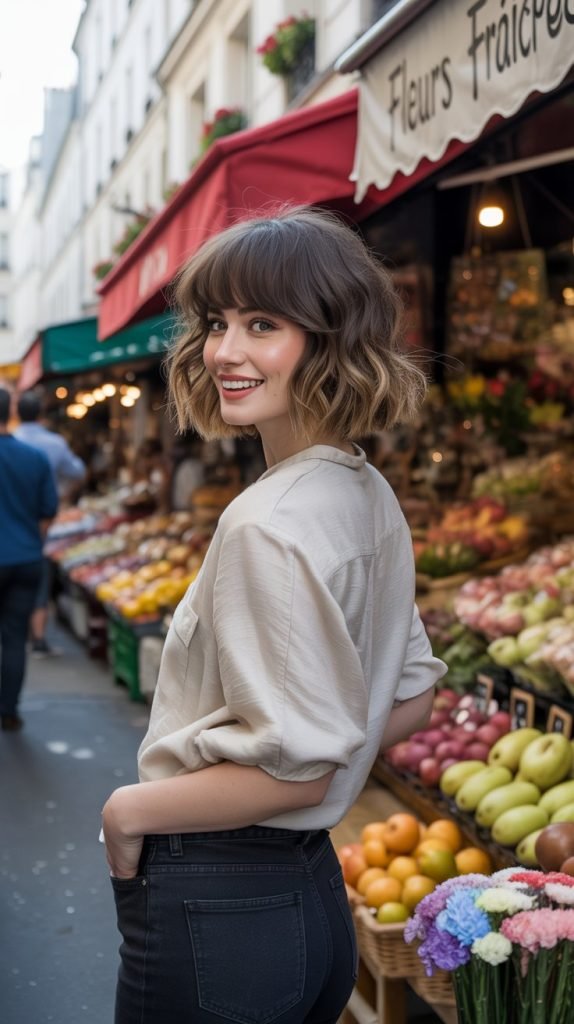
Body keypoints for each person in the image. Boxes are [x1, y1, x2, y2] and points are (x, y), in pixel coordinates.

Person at [102, 207, 446, 1024]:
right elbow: (413, 696)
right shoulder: (365, 490)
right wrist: (335, 743)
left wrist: (128, 812)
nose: (224, 351)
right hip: (310, 900)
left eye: (264, 324)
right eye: (218, 322)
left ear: (330, 338)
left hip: (219, 897)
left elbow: (298, 771)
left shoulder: (266, 521)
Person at [0, 388, 58, 730]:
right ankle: (8, 710)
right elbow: (47, 511)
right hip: (25, 558)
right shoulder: (34, 458)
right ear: (12, 414)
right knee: (15, 637)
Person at [15, 390, 86, 656]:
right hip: (40, 529)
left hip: (12, 526)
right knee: (38, 582)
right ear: (41, 414)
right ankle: (39, 638)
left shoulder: (15, 443)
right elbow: (77, 472)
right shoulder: (52, 445)